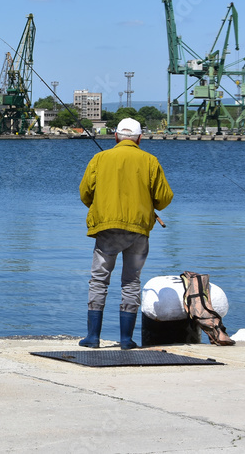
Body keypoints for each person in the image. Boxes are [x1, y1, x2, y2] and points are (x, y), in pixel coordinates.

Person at [78, 117, 173, 349]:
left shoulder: (99, 158)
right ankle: (126, 340)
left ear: (116, 136)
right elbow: (164, 198)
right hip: (138, 230)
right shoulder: (150, 160)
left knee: (99, 280)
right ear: (140, 138)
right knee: (131, 282)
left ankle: (92, 338)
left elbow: (85, 194)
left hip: (107, 229)